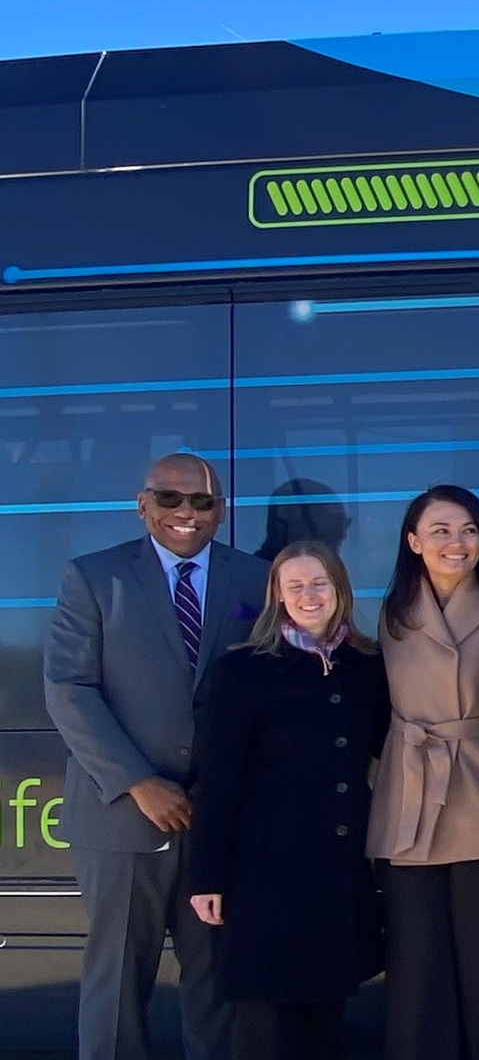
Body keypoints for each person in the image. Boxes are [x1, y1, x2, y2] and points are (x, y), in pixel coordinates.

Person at [44, 452, 269, 1060]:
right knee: (116, 987)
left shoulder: (257, 579)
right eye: (171, 499)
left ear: (221, 511)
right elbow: (68, 688)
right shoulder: (94, 577)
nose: (187, 513)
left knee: (217, 991)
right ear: (143, 504)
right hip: (120, 820)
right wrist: (139, 781)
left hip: (217, 823)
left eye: (203, 502)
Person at [186, 541, 389, 1060]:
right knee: (266, 1030)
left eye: (319, 583)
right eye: (294, 585)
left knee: (324, 1027)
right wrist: (207, 876)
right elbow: (218, 780)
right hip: (264, 880)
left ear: (339, 589)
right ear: (277, 595)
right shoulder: (244, 672)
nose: (308, 595)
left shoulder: (366, 666)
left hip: (337, 875)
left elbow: (392, 747)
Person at [366, 486, 479, 1060]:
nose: (457, 543)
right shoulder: (391, 616)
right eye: (440, 531)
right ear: (413, 542)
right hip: (410, 800)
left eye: (468, 530)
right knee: (416, 972)